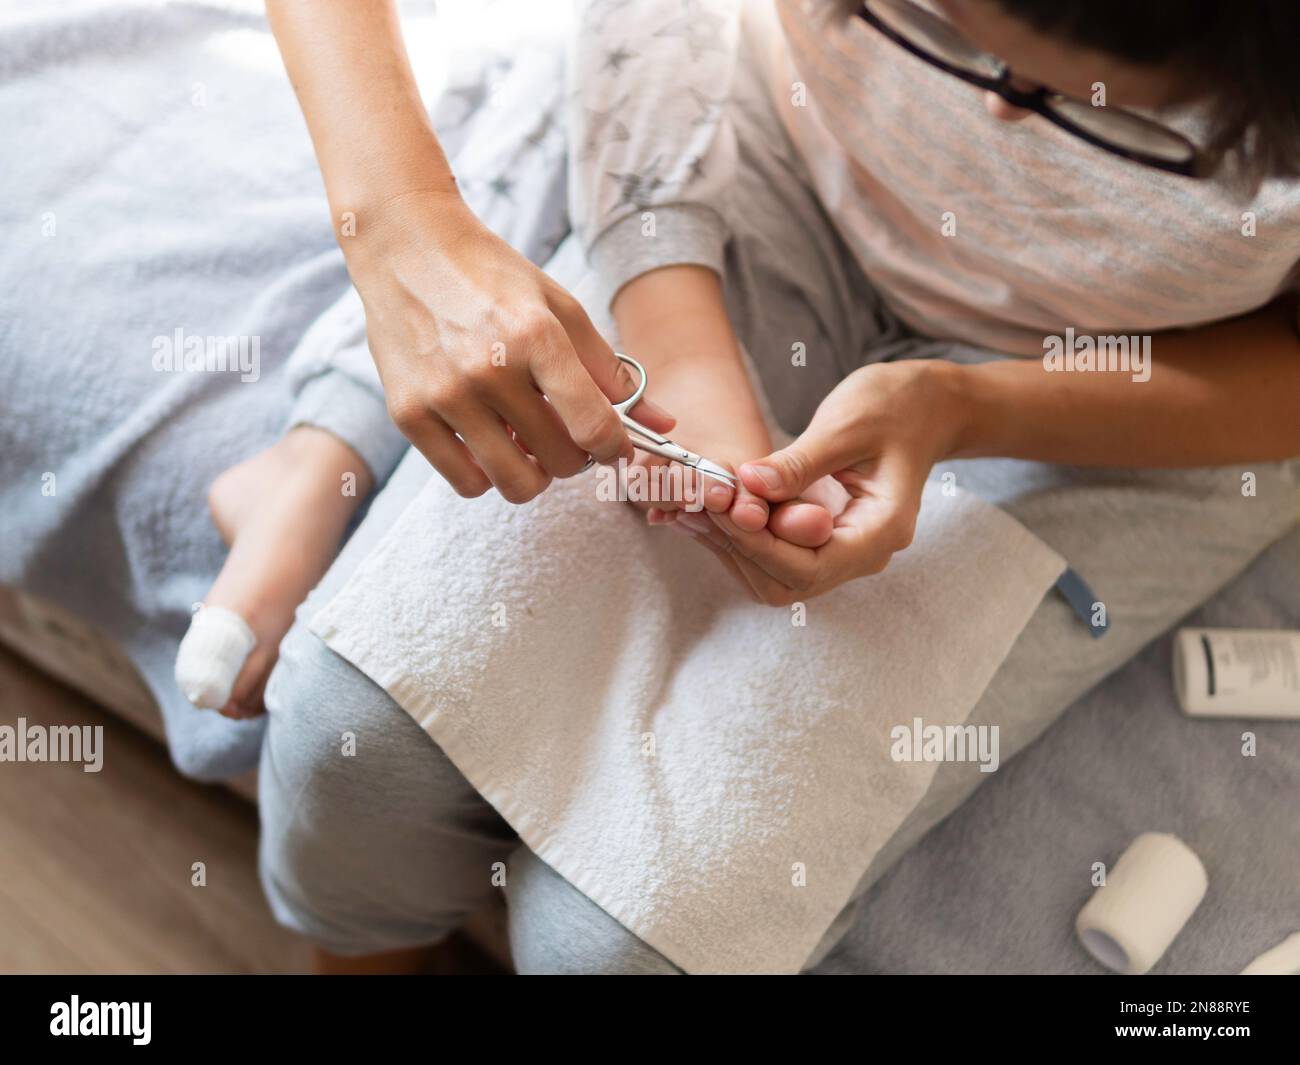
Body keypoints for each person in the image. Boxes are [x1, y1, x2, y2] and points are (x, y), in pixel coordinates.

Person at [243, 0, 1300, 974]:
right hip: (764, 171)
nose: (993, 108)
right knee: (357, 746)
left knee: (627, 947)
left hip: (1164, 372)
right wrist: (682, 352)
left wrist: (970, 411)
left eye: (1085, 109)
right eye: (924, 19)